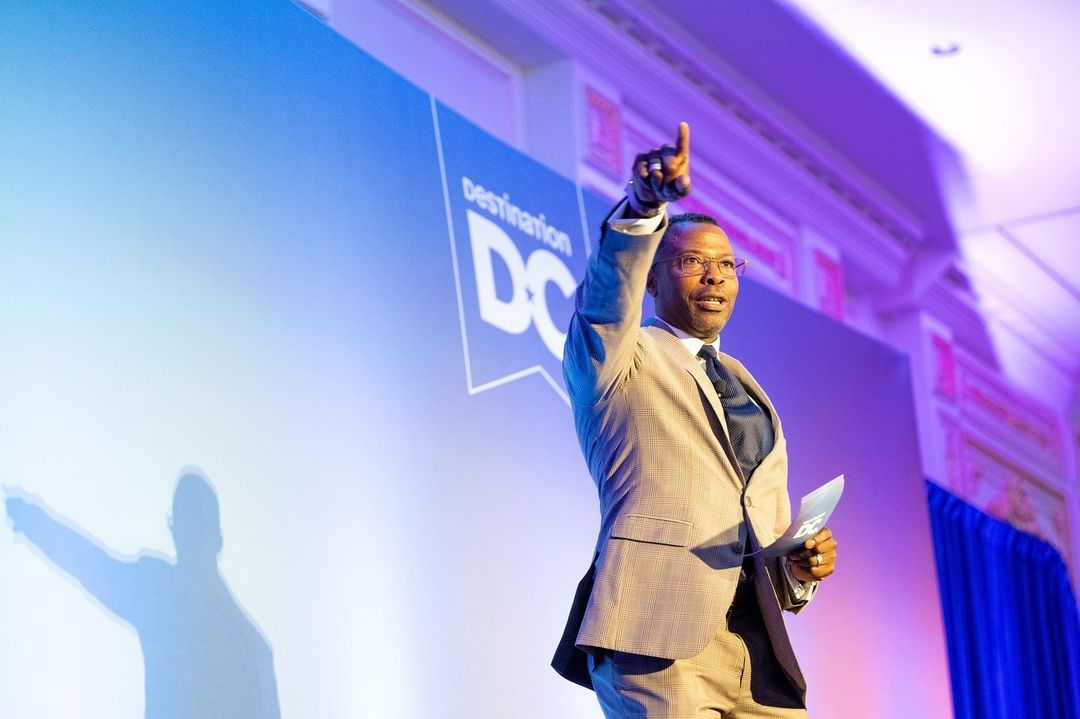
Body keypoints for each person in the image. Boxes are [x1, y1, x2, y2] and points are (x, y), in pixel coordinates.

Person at [552, 122, 838, 718]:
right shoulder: (619, 360)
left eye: (727, 265)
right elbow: (605, 300)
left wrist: (799, 569)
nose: (715, 275)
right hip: (654, 636)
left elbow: (759, 525)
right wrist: (643, 206)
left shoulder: (746, 386)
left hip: (755, 650)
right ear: (653, 276)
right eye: (692, 261)